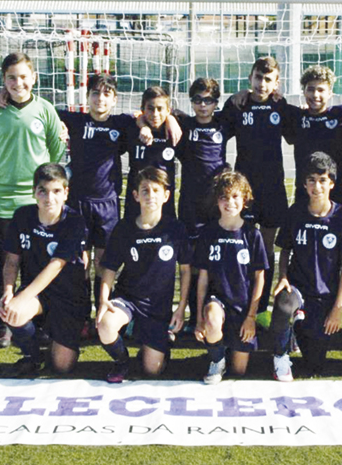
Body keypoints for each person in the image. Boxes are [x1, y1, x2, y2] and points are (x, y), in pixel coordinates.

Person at [0, 52, 66, 348]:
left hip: (36, 200)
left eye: (23, 76)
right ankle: (3, 322)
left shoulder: (45, 110)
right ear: (3, 81)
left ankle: (39, 320)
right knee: (5, 260)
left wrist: (45, 191)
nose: (18, 82)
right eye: (11, 77)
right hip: (2, 198)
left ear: (34, 78)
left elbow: (56, 157)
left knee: (38, 260)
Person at [270, 152, 342, 380]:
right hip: (298, 289)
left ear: (331, 183)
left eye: (322, 180)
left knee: (314, 363)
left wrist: (338, 308)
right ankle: (280, 356)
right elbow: (285, 249)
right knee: (282, 307)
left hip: (325, 296)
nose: (316, 186)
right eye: (311, 180)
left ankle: (297, 329)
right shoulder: (296, 212)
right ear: (304, 183)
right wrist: (283, 276)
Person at [59, 74, 139, 330]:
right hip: (78, 203)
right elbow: (43, 110)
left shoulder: (123, 123)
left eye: (106, 94)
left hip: (108, 205)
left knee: (104, 263)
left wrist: (148, 125)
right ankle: (81, 316)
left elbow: (147, 116)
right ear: (87, 97)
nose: (100, 98)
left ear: (114, 99)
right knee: (80, 263)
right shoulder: (75, 120)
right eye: (95, 93)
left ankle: (102, 313)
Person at [97, 167, 191, 383]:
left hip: (158, 308)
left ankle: (161, 342)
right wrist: (103, 300)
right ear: (136, 196)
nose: (151, 196)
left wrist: (181, 307)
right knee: (106, 326)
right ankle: (122, 361)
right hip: (128, 300)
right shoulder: (124, 228)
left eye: (156, 190)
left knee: (152, 371)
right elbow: (109, 268)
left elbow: (185, 270)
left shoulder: (175, 229)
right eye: (145, 191)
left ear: (166, 196)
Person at [219, 57, 292, 329]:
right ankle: (238, 302)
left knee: (266, 248)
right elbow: (213, 130)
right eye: (258, 78)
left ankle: (261, 308)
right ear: (250, 78)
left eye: (268, 79)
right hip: (244, 192)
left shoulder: (280, 106)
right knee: (242, 246)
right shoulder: (237, 104)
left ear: (276, 83)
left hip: (273, 188)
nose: (262, 84)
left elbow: (298, 131)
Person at [0, 164, 88, 375]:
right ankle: (32, 355)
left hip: (68, 298)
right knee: (12, 312)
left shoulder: (75, 221)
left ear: (66, 193)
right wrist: (9, 292)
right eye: (43, 191)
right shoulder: (22, 217)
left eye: (56, 191)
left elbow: (56, 266)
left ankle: (57, 341)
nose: (49, 198)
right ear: (34, 192)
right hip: (38, 295)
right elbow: (11, 261)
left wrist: (23, 296)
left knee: (62, 366)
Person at [193, 170, 269, 385]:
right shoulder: (208, 233)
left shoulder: (252, 234)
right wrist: (199, 318)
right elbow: (203, 279)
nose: (229, 202)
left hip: (243, 307)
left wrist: (251, 317)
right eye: (224, 197)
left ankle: (225, 346)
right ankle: (217, 360)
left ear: (244, 200)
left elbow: (260, 278)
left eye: (235, 196)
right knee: (213, 319)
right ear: (217, 201)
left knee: (240, 370)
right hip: (218, 301)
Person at [174, 77, 233, 333]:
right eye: (197, 100)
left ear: (215, 103)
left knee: (215, 260)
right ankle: (191, 314)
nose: (202, 105)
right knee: (193, 262)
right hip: (189, 204)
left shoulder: (223, 123)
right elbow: (158, 112)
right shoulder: (184, 125)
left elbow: (241, 104)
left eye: (208, 100)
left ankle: (215, 309)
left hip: (215, 204)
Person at [282, 65, 342, 208]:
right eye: (311, 89)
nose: (315, 95)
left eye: (321, 90)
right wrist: (246, 92)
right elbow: (268, 101)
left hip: (336, 189)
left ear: (330, 93)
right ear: (304, 92)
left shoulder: (341, 113)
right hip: (305, 188)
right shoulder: (296, 116)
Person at [122, 86, 179, 222]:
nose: (155, 114)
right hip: (137, 197)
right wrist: (142, 125)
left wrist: (171, 119)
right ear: (142, 110)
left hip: (164, 198)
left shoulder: (175, 130)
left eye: (160, 109)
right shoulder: (131, 128)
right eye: (150, 108)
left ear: (168, 111)